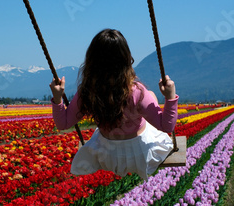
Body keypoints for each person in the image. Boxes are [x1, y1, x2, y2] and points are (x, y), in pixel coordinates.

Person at [50, 29, 178, 180]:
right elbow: (167, 126)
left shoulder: (87, 91)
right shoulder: (137, 92)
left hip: (107, 156)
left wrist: (58, 98)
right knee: (151, 95)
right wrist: (170, 97)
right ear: (127, 59)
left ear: (91, 61)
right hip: (139, 154)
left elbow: (63, 124)